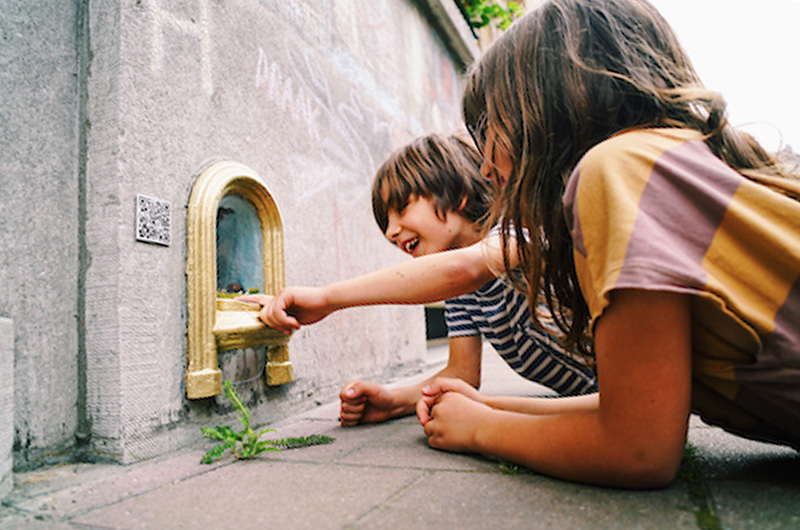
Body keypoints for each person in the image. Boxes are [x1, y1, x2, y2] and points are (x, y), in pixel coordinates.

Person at [411, 0, 799, 489]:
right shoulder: (658, 163)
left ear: (549, 108)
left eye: (490, 128)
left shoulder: (612, 169)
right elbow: (641, 400)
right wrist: (488, 403)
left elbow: (637, 447)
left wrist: (479, 429)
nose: (486, 167)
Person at [239, 133, 597, 427]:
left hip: (636, 388)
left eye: (402, 209)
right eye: (386, 223)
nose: (393, 232)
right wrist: (392, 401)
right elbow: (461, 373)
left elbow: (465, 268)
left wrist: (327, 298)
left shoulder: (519, 230)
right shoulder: (460, 292)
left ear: (458, 194)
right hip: (597, 401)